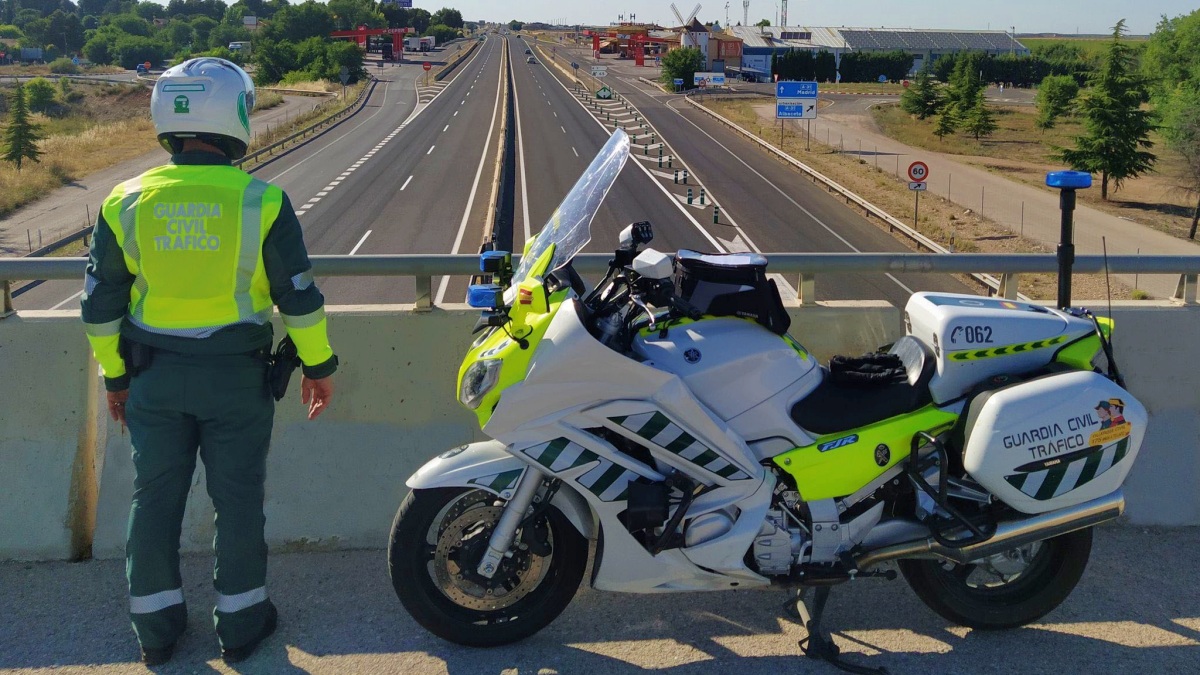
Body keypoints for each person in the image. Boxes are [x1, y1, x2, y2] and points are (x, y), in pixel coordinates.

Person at [80, 58, 338, 666]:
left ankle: (157, 631)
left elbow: (97, 310)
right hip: (237, 381)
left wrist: (115, 376)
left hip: (152, 378)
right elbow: (297, 300)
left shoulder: (125, 200)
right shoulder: (263, 200)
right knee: (238, 499)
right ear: (236, 117)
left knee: (155, 499)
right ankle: (243, 622)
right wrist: (319, 366)